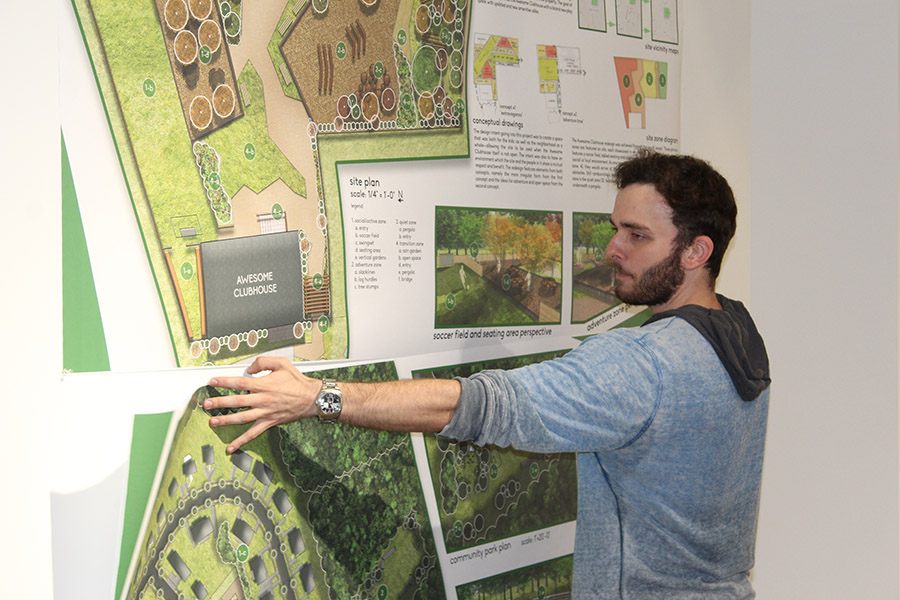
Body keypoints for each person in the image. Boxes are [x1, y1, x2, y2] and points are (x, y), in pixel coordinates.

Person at [204, 149, 770, 599]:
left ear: (697, 251)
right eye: (615, 227)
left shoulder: (641, 364)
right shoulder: (737, 337)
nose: (612, 247)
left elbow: (473, 407)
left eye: (637, 236)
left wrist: (314, 397)